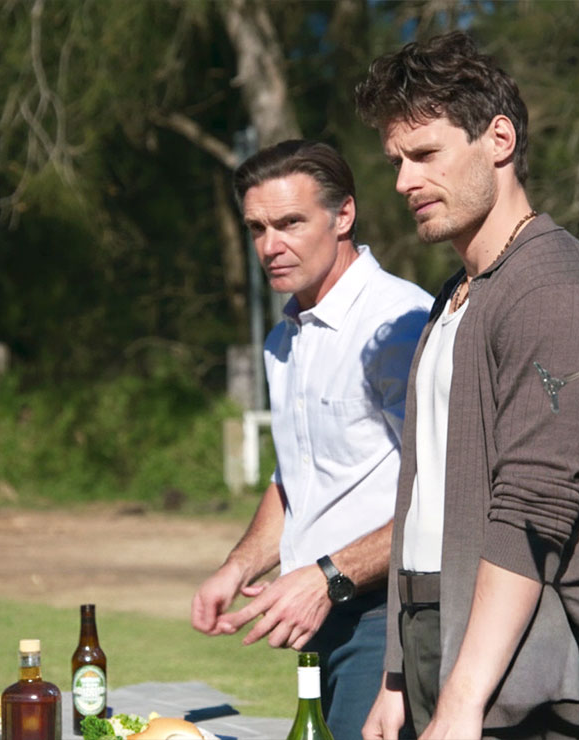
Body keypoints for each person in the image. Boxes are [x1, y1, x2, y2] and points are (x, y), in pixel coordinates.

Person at [354, 31, 579, 740]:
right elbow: (424, 496)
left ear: (499, 139)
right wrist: (397, 675)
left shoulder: (556, 287)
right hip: (434, 631)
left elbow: (537, 504)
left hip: (516, 659)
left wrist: (464, 697)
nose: (403, 182)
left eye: (425, 154)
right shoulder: (459, 292)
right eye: (396, 161)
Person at [190, 140, 431, 740]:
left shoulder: (398, 323)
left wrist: (328, 576)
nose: (270, 246)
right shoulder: (283, 339)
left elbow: (442, 491)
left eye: (291, 222)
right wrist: (238, 566)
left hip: (389, 614)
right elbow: (297, 477)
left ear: (343, 215)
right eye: (257, 228)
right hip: (319, 612)